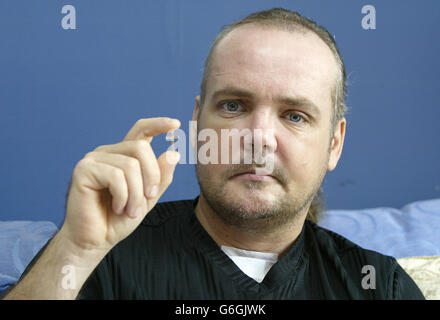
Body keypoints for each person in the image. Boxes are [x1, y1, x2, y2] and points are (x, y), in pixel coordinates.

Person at [3, 8, 424, 300]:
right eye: (233, 106)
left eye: (294, 116)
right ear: (197, 122)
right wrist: (75, 251)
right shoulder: (104, 259)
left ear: (334, 144)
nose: (259, 136)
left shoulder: (377, 284)